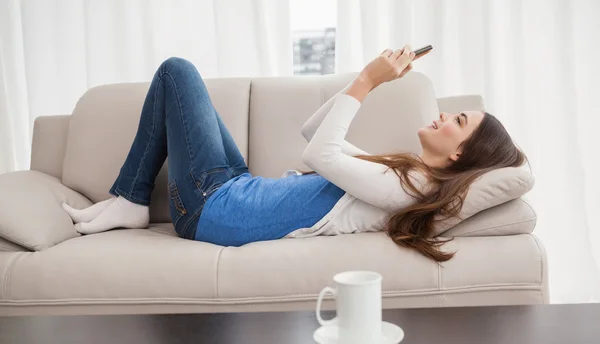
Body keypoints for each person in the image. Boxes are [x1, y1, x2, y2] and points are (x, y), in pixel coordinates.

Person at [63, 45, 526, 262]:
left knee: (176, 71)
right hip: (235, 191)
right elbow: (314, 134)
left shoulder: (409, 188)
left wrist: (368, 79)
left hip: (213, 210)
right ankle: (131, 199)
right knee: (182, 82)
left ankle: (132, 199)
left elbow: (321, 154)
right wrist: (370, 82)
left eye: (457, 122)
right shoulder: (402, 175)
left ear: (460, 157)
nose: (444, 116)